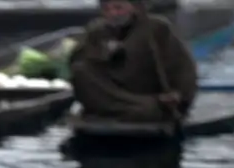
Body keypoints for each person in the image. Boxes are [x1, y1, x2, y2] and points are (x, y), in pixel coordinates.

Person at [68, 0, 198, 124]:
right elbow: (79, 61)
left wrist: (179, 95)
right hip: (111, 94)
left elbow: (183, 67)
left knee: (148, 111)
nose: (113, 14)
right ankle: (130, 109)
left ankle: (145, 108)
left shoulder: (156, 28)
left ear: (133, 7)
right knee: (81, 70)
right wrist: (105, 54)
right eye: (107, 9)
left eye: (118, 8)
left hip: (146, 94)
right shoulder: (96, 31)